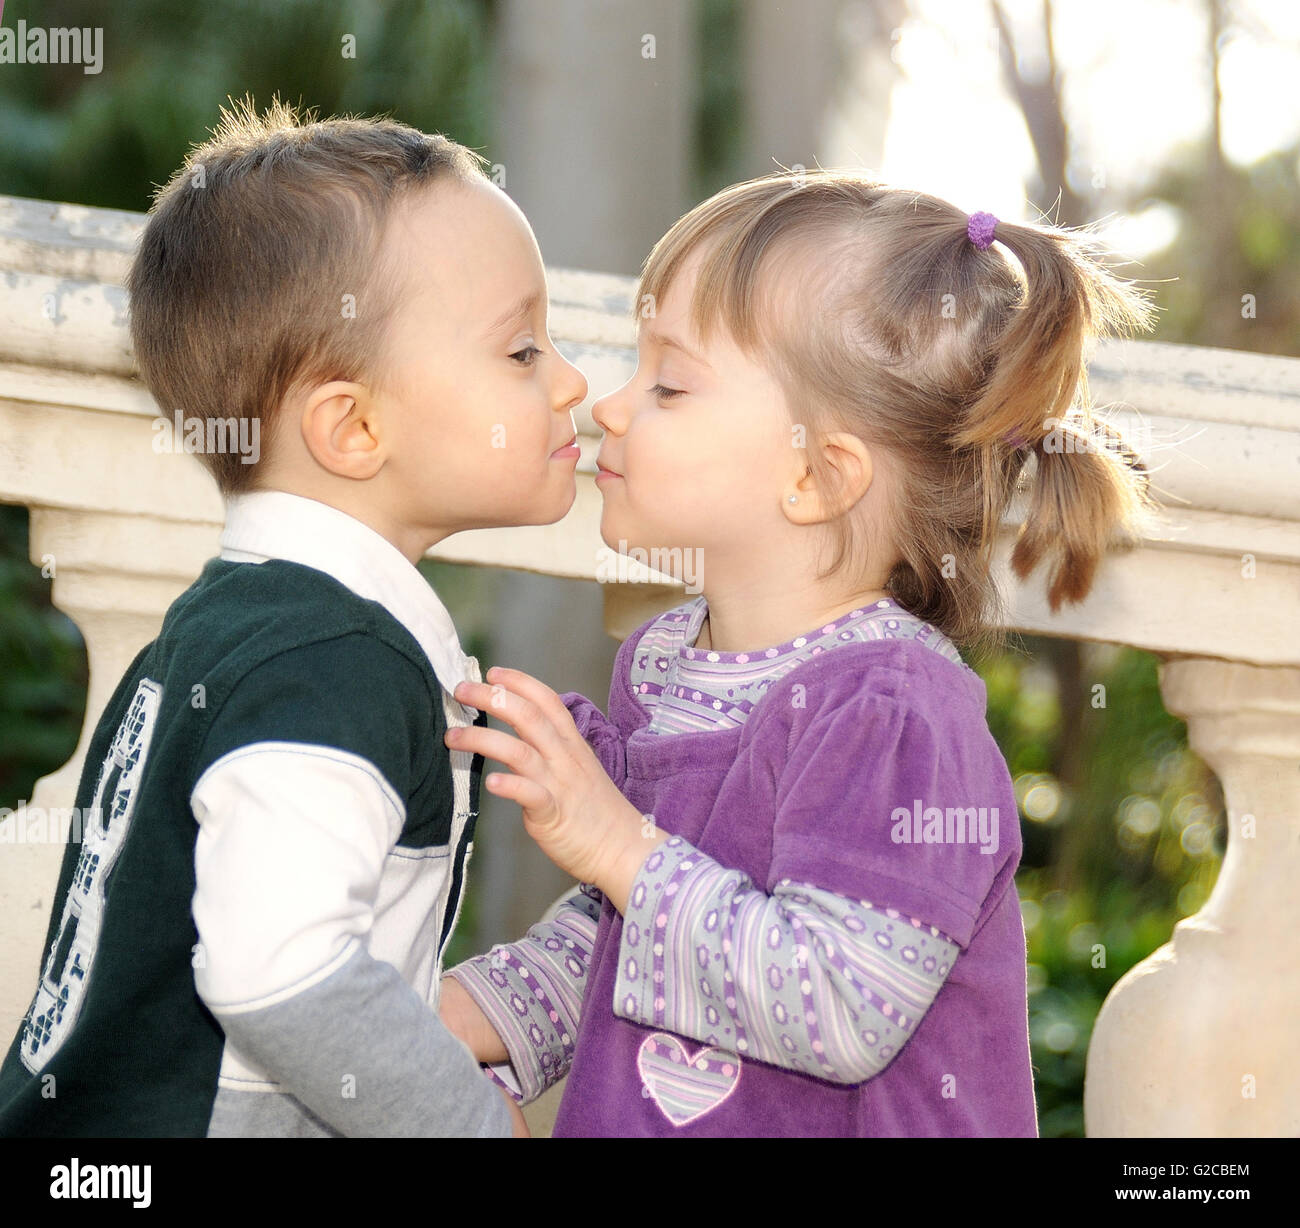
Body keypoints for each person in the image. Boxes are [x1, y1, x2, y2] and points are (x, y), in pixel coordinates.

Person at [438, 171, 1155, 1136]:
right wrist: (432, 1022)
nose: (611, 407)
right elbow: (619, 942)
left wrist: (615, 841)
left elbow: (840, 1004)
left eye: (669, 384)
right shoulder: (668, 668)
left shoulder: (894, 714)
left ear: (816, 475)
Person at [0, 98, 588, 1137]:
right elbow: (281, 971)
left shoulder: (240, 622)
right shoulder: (328, 662)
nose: (573, 381)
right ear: (352, 427)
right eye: (521, 352)